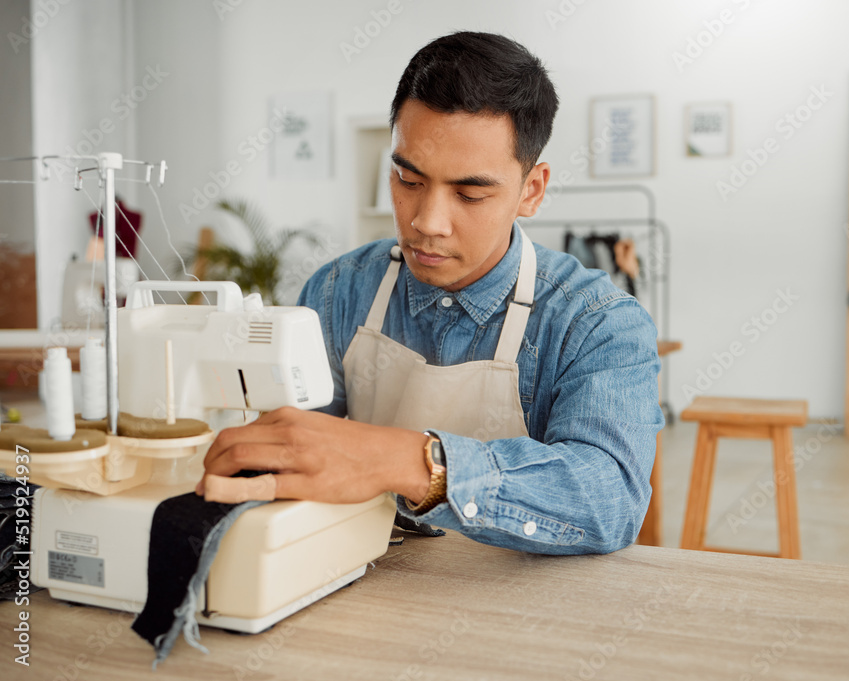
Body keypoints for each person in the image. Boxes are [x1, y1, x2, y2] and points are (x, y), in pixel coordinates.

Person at [197, 31, 663, 555]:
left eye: (469, 194)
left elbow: (608, 499)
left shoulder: (596, 321)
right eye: (408, 180)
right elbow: (291, 452)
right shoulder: (336, 292)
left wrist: (406, 462)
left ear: (530, 190)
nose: (427, 222)